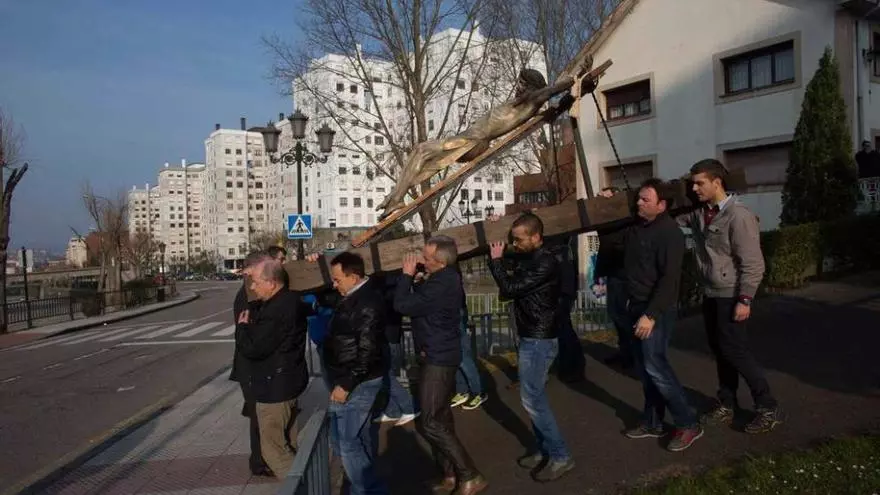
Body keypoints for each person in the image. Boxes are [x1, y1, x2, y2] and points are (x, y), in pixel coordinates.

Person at [376, 69, 576, 219]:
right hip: (468, 139)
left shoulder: (530, 101)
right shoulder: (520, 102)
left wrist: (570, 80)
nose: (518, 86)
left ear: (531, 87)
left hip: (474, 142)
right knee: (419, 154)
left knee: (422, 149)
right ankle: (395, 196)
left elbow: (548, 91)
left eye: (522, 83)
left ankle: (396, 199)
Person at [683, 158, 782, 434]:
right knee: (720, 350)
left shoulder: (738, 216)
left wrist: (745, 299)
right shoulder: (700, 213)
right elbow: (666, 214)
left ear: (717, 182)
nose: (694, 189)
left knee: (735, 351)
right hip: (711, 293)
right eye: (692, 184)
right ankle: (727, 402)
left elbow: (754, 264)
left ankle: (767, 406)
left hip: (731, 295)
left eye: (700, 183)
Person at [394, 236, 488, 495]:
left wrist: (406, 276)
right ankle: (449, 474)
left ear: (440, 262)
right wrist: (417, 281)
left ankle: (470, 475)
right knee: (442, 417)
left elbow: (402, 305)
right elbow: (423, 304)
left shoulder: (442, 283)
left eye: (426, 258)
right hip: (436, 353)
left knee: (430, 422)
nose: (422, 261)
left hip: (439, 358)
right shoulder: (441, 279)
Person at [617, 179, 703, 452]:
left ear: (662, 205)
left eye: (646, 200)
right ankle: (653, 421)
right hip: (636, 306)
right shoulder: (636, 228)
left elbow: (669, 281)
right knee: (645, 369)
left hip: (655, 310)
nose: (639, 203)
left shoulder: (669, 234)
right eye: (638, 198)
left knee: (656, 365)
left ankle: (688, 422)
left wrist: (650, 315)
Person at [488, 213, 575, 482]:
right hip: (531, 335)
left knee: (532, 398)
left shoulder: (546, 262)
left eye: (519, 239)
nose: (515, 244)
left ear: (536, 237)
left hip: (539, 339)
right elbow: (507, 273)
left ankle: (561, 455)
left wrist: (496, 262)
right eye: (513, 239)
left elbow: (509, 288)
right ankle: (544, 449)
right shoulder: (530, 257)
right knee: (532, 397)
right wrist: (496, 233)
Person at [320, 252, 389, 494]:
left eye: (337, 279)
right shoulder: (353, 295)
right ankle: (368, 487)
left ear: (354, 277)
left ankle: (369, 490)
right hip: (351, 376)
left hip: (357, 380)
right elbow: (326, 298)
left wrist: (347, 384)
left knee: (346, 442)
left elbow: (368, 351)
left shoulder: (367, 303)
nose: (334, 284)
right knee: (353, 438)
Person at [235, 257, 309, 479]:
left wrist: (242, 328)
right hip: (287, 381)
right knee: (286, 443)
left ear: (272, 283)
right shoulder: (289, 300)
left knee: (273, 450)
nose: (252, 287)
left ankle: (302, 485)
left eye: (256, 282)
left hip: (275, 387)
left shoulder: (277, 310)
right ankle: (304, 481)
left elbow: (254, 348)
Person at [230, 252, 275, 477]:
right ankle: (259, 461)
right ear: (251, 270)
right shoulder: (247, 295)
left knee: (258, 413)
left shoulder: (253, 292)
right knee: (258, 416)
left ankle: (262, 458)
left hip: (253, 366)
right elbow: (248, 335)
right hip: (250, 367)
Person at [594, 186, 634, 369]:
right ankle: (626, 350)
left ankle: (631, 351)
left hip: (622, 270)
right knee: (615, 312)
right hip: (614, 270)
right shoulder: (605, 220)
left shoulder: (623, 218)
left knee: (620, 313)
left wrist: (613, 200)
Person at [374, 271, 419, 426]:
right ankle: (393, 410)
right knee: (385, 377)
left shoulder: (387, 290)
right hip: (389, 337)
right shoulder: (394, 288)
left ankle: (409, 407)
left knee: (386, 377)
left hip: (388, 338)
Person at [548, 235, 586, 383]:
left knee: (563, 328)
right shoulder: (563, 248)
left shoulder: (559, 247)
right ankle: (572, 365)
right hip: (564, 287)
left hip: (562, 289)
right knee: (563, 327)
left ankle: (572, 365)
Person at [451, 291, 488, 410]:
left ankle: (479, 392)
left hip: (454, 312)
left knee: (463, 357)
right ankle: (462, 390)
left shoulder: (449, 280)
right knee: (455, 356)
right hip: (448, 312)